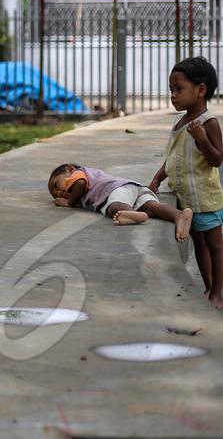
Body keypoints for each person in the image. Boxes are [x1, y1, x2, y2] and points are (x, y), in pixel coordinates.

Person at [150, 57, 223, 309]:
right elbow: (173, 157)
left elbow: (217, 159)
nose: (173, 95)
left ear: (200, 90)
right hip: (186, 198)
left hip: (205, 197)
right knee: (198, 242)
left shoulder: (208, 123)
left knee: (215, 245)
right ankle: (208, 286)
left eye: (179, 89)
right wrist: (158, 178)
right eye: (171, 89)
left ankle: (218, 293)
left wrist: (202, 138)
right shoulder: (179, 122)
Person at [48, 163, 192, 239]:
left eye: (55, 185)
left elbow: (80, 183)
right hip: (133, 187)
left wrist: (69, 202)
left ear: (70, 169)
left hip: (114, 191)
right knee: (152, 207)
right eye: (55, 195)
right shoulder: (83, 177)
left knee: (113, 207)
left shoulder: (77, 173)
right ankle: (179, 215)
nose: (57, 193)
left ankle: (131, 213)